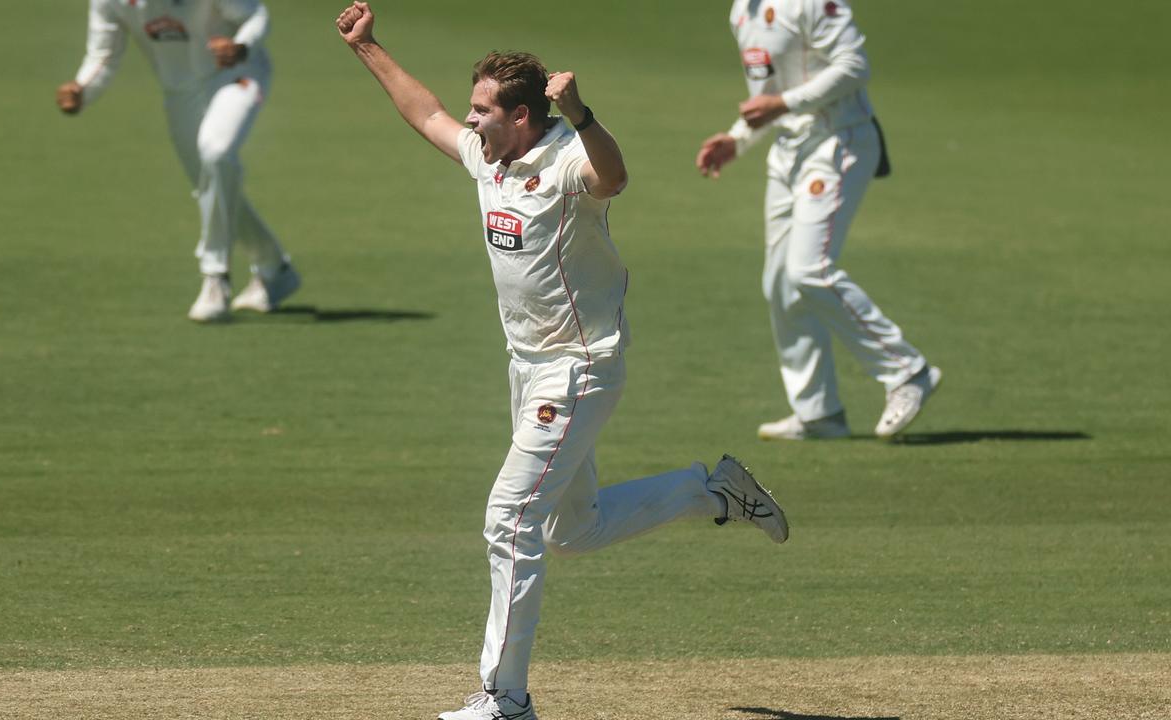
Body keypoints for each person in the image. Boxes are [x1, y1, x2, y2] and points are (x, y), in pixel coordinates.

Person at [335, 3, 789, 718]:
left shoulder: (566, 163)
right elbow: (424, 114)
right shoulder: (490, 155)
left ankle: (505, 697)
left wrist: (581, 115)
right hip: (527, 368)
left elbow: (615, 176)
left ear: (523, 116)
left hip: (578, 368)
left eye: (484, 109)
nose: (471, 118)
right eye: (474, 106)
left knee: (509, 518)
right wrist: (369, 47)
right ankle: (713, 492)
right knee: (569, 532)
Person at [696, 0, 941, 440]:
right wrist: (737, 139)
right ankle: (819, 412)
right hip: (790, 151)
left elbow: (854, 65)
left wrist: (784, 103)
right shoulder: (742, 13)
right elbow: (764, 99)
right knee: (779, 282)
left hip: (838, 142)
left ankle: (907, 371)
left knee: (808, 269)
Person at [56, 0, 301, 322]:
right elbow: (104, 53)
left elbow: (255, 14)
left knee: (216, 153)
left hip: (236, 73)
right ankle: (275, 268)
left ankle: (215, 276)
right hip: (180, 93)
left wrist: (242, 46)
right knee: (213, 184)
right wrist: (83, 89)